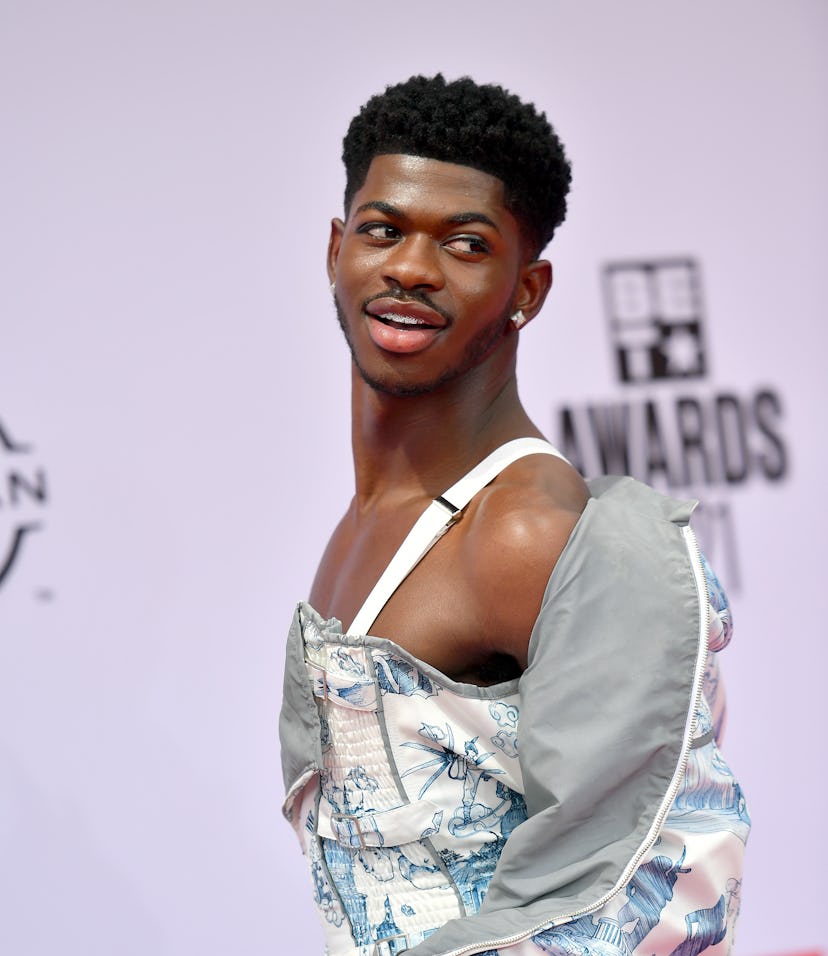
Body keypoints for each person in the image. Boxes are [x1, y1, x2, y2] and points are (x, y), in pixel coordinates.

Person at [279, 75, 749, 956]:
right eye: (382, 230)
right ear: (336, 249)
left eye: (466, 243)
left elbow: (650, 890)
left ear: (527, 288)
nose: (412, 268)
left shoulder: (527, 531)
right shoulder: (372, 515)